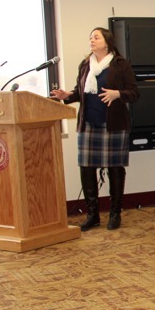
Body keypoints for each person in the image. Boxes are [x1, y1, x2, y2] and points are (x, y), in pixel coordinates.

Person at [51, 27, 139, 231]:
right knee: (86, 167)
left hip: (114, 124)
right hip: (89, 123)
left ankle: (115, 213)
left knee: (115, 168)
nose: (91, 40)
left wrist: (118, 94)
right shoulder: (85, 65)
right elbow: (80, 91)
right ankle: (93, 215)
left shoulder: (120, 65)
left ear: (107, 42)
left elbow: (134, 93)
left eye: (96, 37)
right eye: (90, 37)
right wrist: (67, 96)